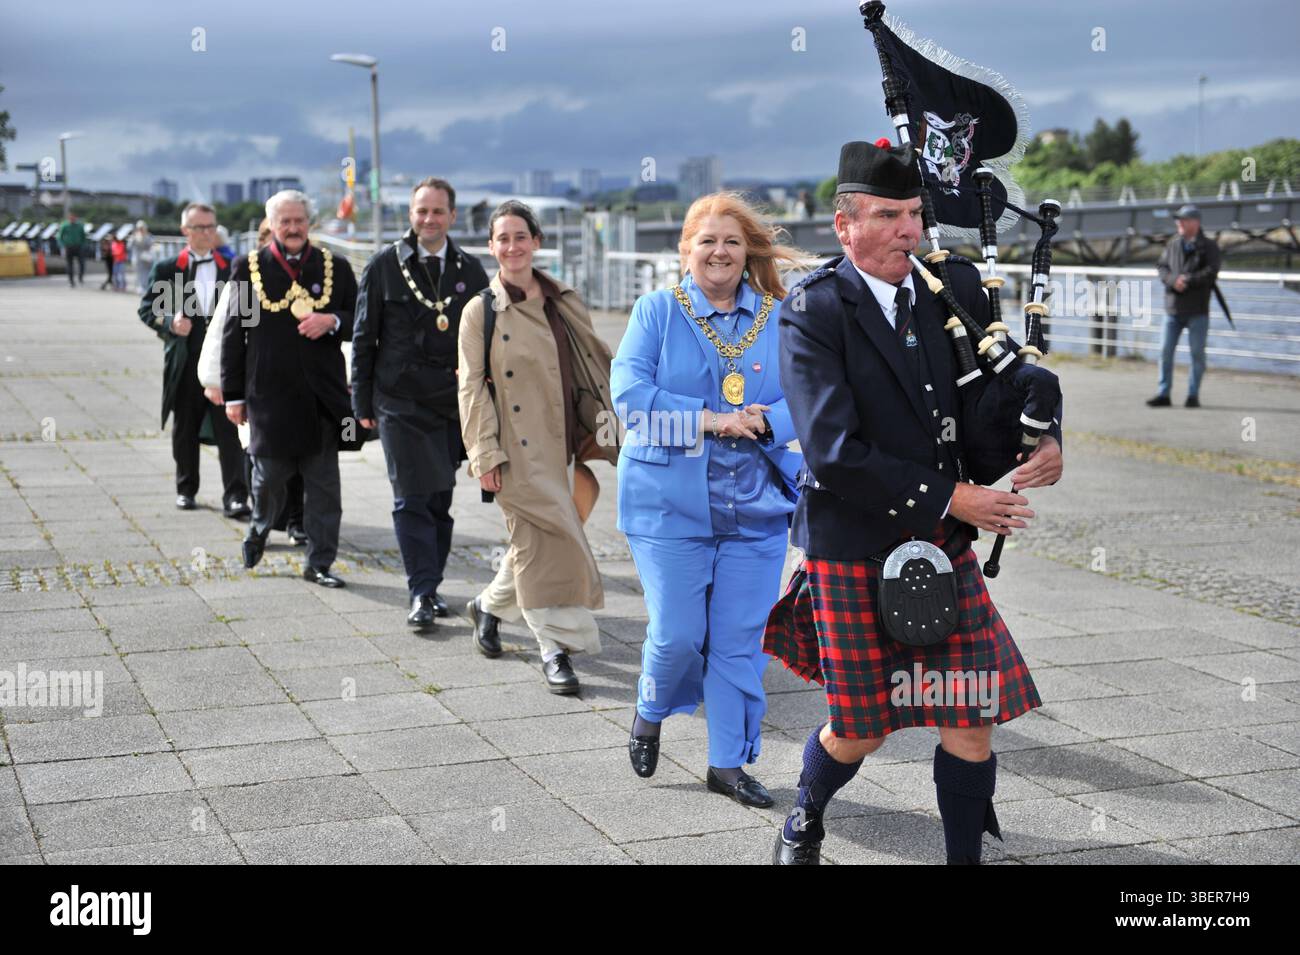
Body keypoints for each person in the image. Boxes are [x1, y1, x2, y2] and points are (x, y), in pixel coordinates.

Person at [767, 140, 1064, 865]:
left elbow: (990, 403)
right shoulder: (814, 311)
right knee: (861, 728)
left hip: (939, 543)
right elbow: (832, 451)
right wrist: (955, 497)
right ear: (844, 225)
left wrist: (1042, 433)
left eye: (914, 214)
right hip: (852, 543)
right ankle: (805, 814)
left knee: (970, 716)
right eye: (888, 216)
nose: (909, 230)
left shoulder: (949, 291)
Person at [611, 192, 803, 808]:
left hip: (756, 505)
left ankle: (728, 764)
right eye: (707, 241)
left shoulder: (781, 316)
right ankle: (650, 708)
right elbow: (630, 400)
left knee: (738, 641)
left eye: (731, 241)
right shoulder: (656, 312)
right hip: (668, 506)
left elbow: (811, 393)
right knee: (676, 635)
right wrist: (713, 420)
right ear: (685, 250)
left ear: (748, 251)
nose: (719, 252)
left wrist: (767, 422)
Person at [458, 200, 618, 694]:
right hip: (515, 450)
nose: (512, 247)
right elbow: (471, 387)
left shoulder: (562, 300)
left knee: (542, 538)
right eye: (502, 239)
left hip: (562, 441)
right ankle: (554, 649)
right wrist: (484, 454)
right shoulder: (480, 311)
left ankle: (488, 606)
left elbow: (593, 365)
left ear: (536, 242)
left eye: (520, 237)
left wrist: (612, 425)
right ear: (491, 247)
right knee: (545, 546)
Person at [353, 177, 490, 630]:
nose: (429, 219)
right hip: (399, 401)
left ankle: (431, 584)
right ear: (410, 215)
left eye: (437, 212)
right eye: (421, 211)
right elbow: (363, 337)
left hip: (451, 402)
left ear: (452, 216)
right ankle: (421, 591)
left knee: (438, 499)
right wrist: (360, 402)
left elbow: (488, 337)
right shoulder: (384, 266)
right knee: (411, 497)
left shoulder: (471, 270)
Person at [221, 190, 359, 588]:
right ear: (273, 224)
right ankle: (259, 528)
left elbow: (360, 321)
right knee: (268, 480)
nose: (293, 228)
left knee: (324, 489)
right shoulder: (248, 268)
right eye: (286, 222)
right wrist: (233, 395)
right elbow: (234, 334)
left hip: (322, 399)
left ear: (309, 223)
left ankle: (319, 562)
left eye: (300, 221)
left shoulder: (336, 267)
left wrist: (332, 321)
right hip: (269, 396)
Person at [137, 202, 249, 516]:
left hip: (224, 367)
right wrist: (170, 323)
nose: (207, 232)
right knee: (184, 430)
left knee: (231, 432)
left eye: (212, 226)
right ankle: (186, 489)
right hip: (185, 365)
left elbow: (248, 314)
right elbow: (148, 309)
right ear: (185, 230)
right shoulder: (169, 269)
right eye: (200, 227)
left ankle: (236, 497)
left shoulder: (233, 267)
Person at [200, 218, 307, 543]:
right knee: (257, 454)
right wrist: (215, 379)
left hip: (301, 384)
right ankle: (263, 523)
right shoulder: (249, 278)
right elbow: (226, 330)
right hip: (257, 384)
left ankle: (297, 521)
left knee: (301, 455)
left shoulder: (310, 272)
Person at [1148, 204, 1222, 409]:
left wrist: (1187, 280)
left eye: (1183, 220)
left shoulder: (1209, 246)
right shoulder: (1173, 244)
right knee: (1165, 351)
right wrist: (1173, 280)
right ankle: (1163, 394)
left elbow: (1211, 271)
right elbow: (1162, 267)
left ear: (1195, 223)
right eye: (1178, 220)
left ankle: (1192, 395)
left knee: (1197, 354)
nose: (1179, 223)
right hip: (1173, 309)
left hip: (1198, 310)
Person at [57, 214, 86, 287]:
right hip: (69, 247)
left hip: (78, 247)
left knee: (82, 263)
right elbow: (59, 236)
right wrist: (63, 245)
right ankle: (71, 280)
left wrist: (83, 245)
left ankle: (80, 277)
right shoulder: (65, 225)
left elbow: (83, 236)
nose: (72, 219)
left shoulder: (80, 226)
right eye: (71, 218)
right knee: (70, 264)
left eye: (74, 217)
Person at [129, 220, 155, 294]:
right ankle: (140, 287)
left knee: (147, 273)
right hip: (138, 259)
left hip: (147, 259)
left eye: (142, 228)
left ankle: (146, 287)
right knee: (139, 274)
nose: (141, 230)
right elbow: (130, 246)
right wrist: (133, 238)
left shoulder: (148, 236)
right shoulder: (135, 236)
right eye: (139, 228)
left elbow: (152, 245)